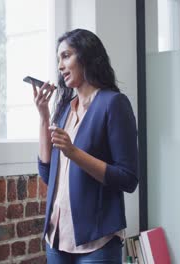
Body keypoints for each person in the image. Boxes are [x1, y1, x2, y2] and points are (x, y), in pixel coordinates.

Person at [32, 29, 139, 263]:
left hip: (98, 243)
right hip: (57, 239)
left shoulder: (114, 104)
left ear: (87, 56)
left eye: (66, 55)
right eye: (58, 58)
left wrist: (74, 153)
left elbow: (128, 178)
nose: (60, 66)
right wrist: (43, 117)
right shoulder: (64, 109)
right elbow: (48, 175)